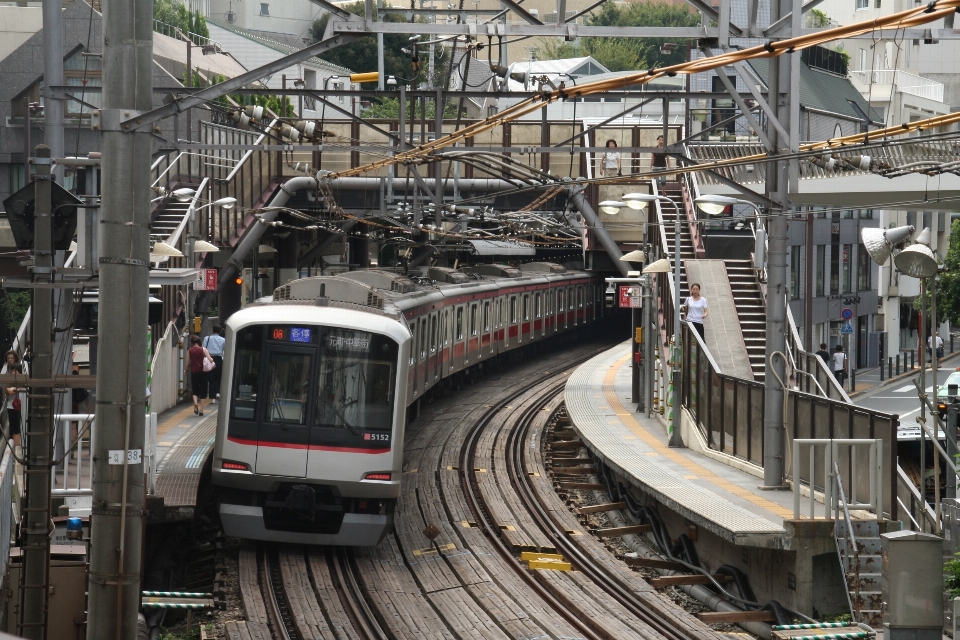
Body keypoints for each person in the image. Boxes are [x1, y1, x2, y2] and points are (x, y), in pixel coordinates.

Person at [3, 352, 25, 449]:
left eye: (12, 358)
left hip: (18, 405)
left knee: (16, 428)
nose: (10, 360)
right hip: (11, 405)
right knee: (13, 427)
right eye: (8, 358)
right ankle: (15, 448)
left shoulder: (20, 379)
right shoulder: (7, 375)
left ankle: (17, 448)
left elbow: (10, 391)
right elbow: (8, 393)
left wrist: (8, 388)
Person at [186, 335, 212, 416]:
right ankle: (201, 410)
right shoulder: (204, 349)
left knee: (195, 390)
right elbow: (210, 359)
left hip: (194, 372)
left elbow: (187, 363)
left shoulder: (189, 351)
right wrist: (211, 359)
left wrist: (185, 370)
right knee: (203, 391)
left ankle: (195, 404)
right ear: (199, 342)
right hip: (203, 372)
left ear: (192, 343)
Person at [203, 325, 226, 403]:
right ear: (220, 331)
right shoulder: (223, 340)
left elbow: (203, 349)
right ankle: (217, 392)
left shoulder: (207, 338)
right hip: (219, 359)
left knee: (211, 378)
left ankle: (212, 397)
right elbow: (224, 350)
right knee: (219, 377)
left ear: (213, 330)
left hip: (209, 359)